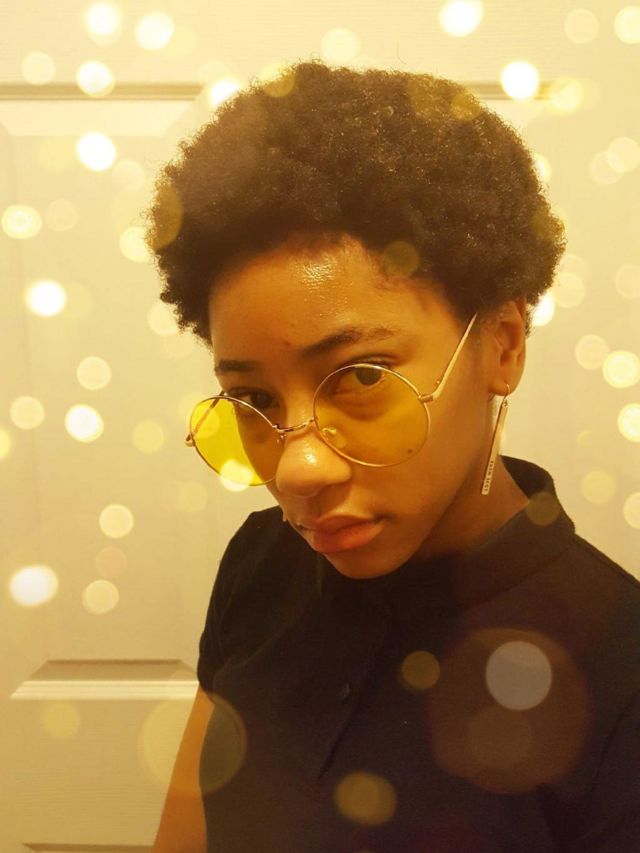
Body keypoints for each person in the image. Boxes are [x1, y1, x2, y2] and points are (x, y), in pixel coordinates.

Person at [144, 58, 640, 852]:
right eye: (255, 399)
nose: (298, 470)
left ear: (502, 344)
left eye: (363, 378)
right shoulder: (262, 563)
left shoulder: (620, 675)